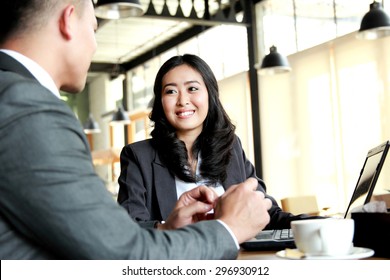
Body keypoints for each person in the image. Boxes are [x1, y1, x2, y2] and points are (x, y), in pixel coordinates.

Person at [0, 0, 272, 259]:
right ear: (69, 21)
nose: (94, 45)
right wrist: (229, 229)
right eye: (94, 29)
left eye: (192, 88)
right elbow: (122, 255)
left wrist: (165, 228)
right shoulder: (27, 106)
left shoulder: (13, 95)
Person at [118, 54, 308, 230]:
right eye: (171, 91)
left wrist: (315, 223)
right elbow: (128, 229)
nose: (183, 100)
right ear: (160, 101)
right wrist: (166, 227)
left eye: (192, 88)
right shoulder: (138, 156)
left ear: (210, 94)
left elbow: (264, 211)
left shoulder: (231, 147)